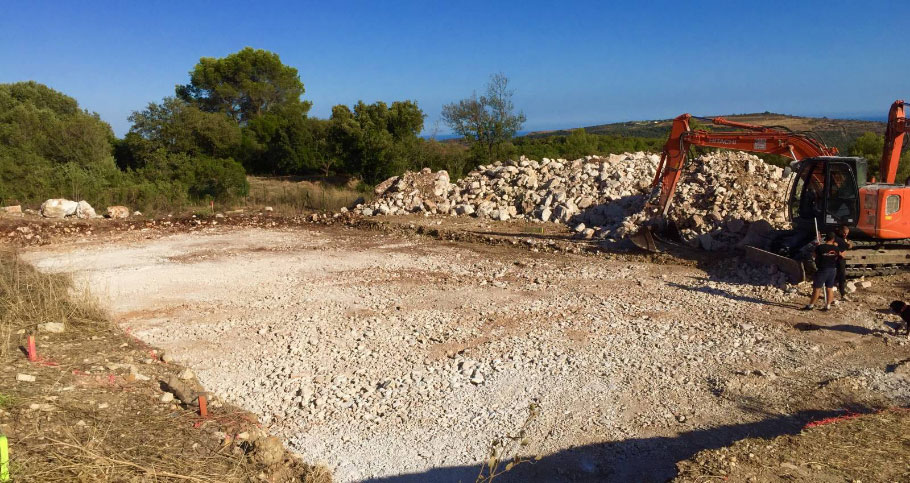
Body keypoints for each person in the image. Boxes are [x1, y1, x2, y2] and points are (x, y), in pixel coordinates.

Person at [802, 231, 842, 311]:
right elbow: (839, 256)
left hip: (823, 270)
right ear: (833, 239)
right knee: (829, 288)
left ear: (826, 237)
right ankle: (828, 306)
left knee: (817, 288)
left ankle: (811, 305)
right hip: (833, 270)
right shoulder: (836, 248)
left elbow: (813, 256)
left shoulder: (820, 247)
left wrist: (818, 248)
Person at [834, 225, 853, 302]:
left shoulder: (844, 238)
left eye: (847, 233)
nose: (846, 235)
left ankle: (843, 293)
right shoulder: (836, 238)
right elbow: (833, 246)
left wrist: (849, 244)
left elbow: (849, 245)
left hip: (841, 260)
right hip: (836, 259)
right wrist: (840, 253)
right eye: (844, 233)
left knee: (842, 276)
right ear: (841, 231)